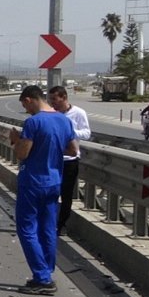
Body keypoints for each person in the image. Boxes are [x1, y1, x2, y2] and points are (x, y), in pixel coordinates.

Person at [9, 85, 78, 295]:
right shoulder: (64, 120)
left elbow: (23, 153)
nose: (26, 110)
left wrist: (15, 140)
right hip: (54, 180)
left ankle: (42, 278)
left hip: (33, 181)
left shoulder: (33, 122)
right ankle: (47, 270)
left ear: (30, 99)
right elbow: (73, 149)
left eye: (24, 105)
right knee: (47, 227)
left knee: (27, 228)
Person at [46, 86, 91, 232]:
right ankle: (48, 222)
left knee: (66, 194)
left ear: (64, 97)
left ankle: (62, 224)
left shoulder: (78, 113)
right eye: (50, 99)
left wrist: (69, 132)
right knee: (51, 191)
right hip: (53, 159)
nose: (53, 103)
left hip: (70, 160)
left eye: (55, 99)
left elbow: (86, 133)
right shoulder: (50, 113)